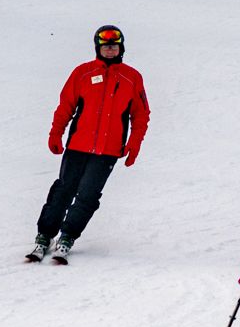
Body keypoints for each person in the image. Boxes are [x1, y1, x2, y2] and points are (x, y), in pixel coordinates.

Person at [27, 24, 150, 263]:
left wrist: (134, 144)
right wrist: (56, 133)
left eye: (114, 47)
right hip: (77, 146)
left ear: (121, 48)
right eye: (106, 47)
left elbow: (141, 114)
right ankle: (44, 236)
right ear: (98, 49)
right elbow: (66, 106)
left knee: (88, 195)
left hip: (108, 151)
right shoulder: (82, 73)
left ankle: (67, 237)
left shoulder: (132, 77)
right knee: (63, 190)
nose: (110, 51)